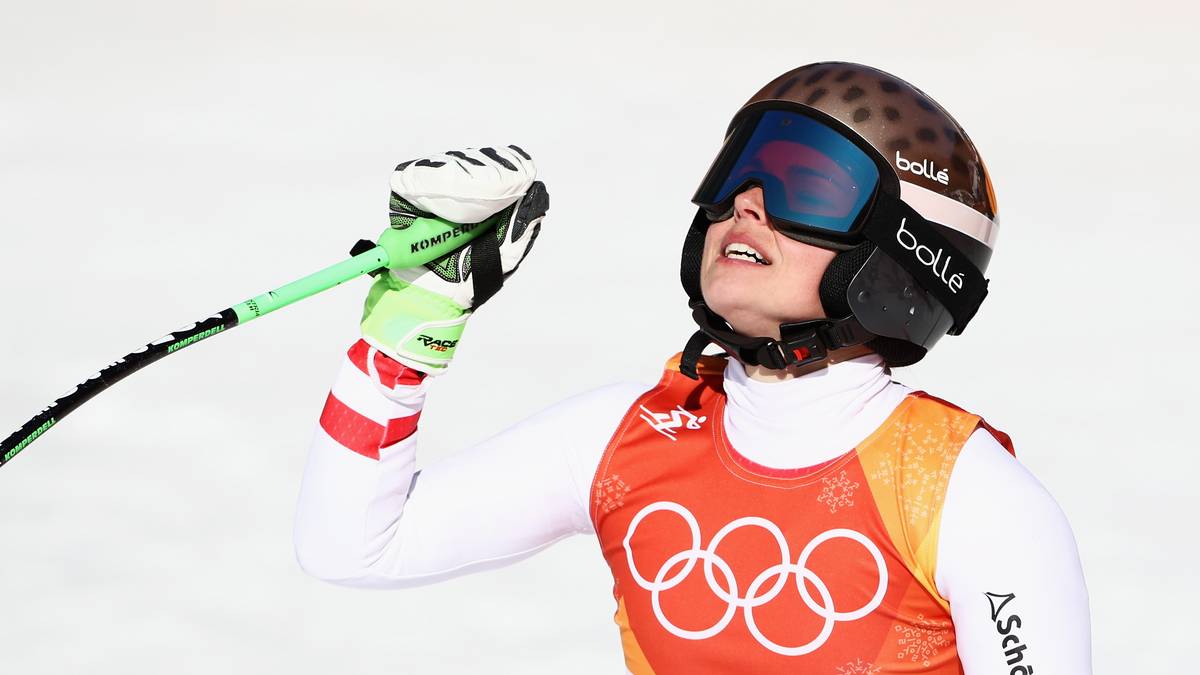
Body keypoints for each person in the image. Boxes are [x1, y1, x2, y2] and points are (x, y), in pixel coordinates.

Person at [293, 63, 1091, 674]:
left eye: (804, 186)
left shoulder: (963, 491)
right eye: (738, 172)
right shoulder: (629, 436)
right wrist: (411, 320)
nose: (746, 202)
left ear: (897, 260)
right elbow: (354, 544)